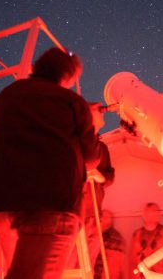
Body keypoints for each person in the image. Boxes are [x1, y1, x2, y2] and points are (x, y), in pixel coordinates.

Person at [0, 47, 101, 279]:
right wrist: (93, 123)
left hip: (3, 205)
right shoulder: (73, 102)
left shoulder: (8, 94)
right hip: (52, 205)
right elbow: (91, 160)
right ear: (67, 75)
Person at [67, 102, 115, 269]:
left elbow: (110, 176)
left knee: (89, 263)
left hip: (95, 214)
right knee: (71, 264)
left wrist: (101, 177)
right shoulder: (73, 143)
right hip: (76, 213)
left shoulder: (101, 147)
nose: (102, 111)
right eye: (97, 109)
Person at [130, 202, 163, 278]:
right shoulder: (137, 235)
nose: (150, 214)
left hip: (161, 276)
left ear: (158, 214)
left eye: (154, 211)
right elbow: (133, 260)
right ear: (143, 215)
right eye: (147, 211)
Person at [94, 210, 126, 279]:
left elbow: (115, 263)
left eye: (104, 217)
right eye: (101, 217)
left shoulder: (115, 237)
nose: (101, 219)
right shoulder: (95, 234)